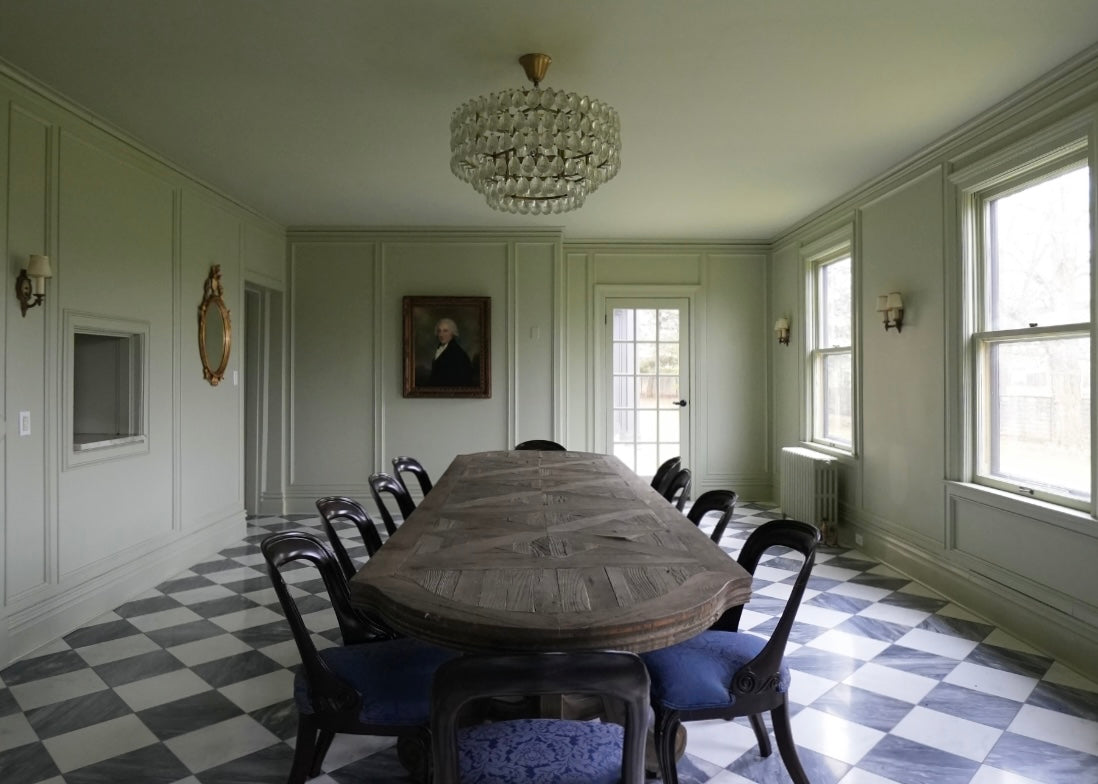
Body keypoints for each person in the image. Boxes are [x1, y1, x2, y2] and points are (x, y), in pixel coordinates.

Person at [430, 317, 475, 386]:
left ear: (452, 333)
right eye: (439, 331)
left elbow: (462, 379)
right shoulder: (440, 348)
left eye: (445, 331)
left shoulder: (458, 353)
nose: (441, 334)